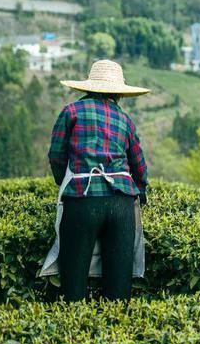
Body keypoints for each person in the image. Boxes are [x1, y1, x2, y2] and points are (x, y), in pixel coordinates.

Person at [40, 59, 150, 301]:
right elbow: (139, 164)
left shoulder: (71, 112)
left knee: (74, 282)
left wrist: (66, 183)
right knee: (119, 288)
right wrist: (140, 192)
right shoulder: (125, 120)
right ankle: (118, 333)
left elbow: (56, 155)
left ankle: (75, 329)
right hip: (121, 203)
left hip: (82, 198)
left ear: (88, 87)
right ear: (118, 94)